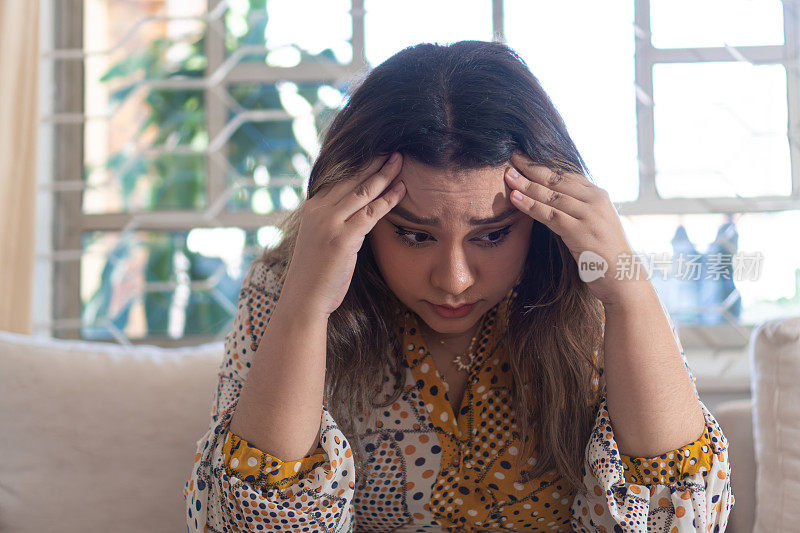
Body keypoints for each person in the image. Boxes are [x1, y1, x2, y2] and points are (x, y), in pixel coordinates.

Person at [184, 40, 734, 532]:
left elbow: (680, 522)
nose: (454, 280)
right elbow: (242, 525)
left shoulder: (595, 291)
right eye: (414, 236)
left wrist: (628, 297)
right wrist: (305, 307)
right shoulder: (286, 288)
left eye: (492, 235)